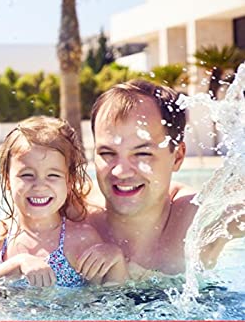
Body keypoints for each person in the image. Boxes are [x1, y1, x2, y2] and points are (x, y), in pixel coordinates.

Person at [88, 78, 243, 278]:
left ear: (177, 156)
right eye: (107, 153)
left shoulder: (198, 220)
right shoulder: (73, 210)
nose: (120, 172)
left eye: (142, 154)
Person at [0, 116, 128, 287]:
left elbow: (108, 298)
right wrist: (16, 264)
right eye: (27, 175)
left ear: (69, 181)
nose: (39, 186)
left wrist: (116, 258)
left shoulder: (80, 238)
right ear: (7, 180)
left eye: (53, 175)